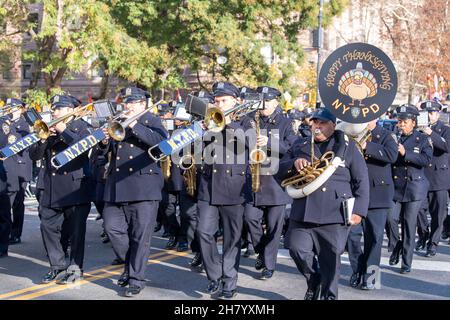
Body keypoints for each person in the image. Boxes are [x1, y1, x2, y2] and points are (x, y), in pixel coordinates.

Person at [279, 107, 369, 300]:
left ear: (333, 125)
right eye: (315, 123)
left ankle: (329, 295)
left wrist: (359, 211)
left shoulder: (346, 146)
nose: (317, 127)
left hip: (334, 212)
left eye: (322, 123)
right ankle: (313, 279)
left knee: (331, 259)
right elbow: (279, 171)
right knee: (296, 248)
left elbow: (361, 180)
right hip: (304, 210)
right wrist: (294, 163)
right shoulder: (300, 144)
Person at [99, 87, 167, 297]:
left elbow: (162, 145)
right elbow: (106, 154)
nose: (127, 106)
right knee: (112, 229)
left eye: (132, 102)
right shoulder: (116, 121)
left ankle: (136, 278)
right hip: (117, 186)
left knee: (140, 237)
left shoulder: (152, 121)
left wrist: (135, 124)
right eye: (126, 102)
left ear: (142, 105)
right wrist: (103, 142)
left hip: (143, 187)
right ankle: (130, 266)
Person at [29, 94, 94, 284]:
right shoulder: (48, 130)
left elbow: (81, 148)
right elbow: (34, 156)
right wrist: (42, 140)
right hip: (51, 188)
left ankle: (75, 268)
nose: (55, 112)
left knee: (75, 232)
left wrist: (64, 130)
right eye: (54, 108)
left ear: (71, 110)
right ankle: (57, 266)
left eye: (59, 108)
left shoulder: (83, 128)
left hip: (75, 188)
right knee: (47, 227)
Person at [196, 81, 250, 299]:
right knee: (204, 232)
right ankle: (215, 275)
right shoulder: (208, 121)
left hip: (233, 188)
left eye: (224, 100)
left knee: (231, 238)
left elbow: (249, 143)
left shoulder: (246, 122)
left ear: (236, 101)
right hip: (208, 186)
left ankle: (229, 282)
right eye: (216, 101)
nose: (219, 104)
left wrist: (228, 123)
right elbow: (197, 151)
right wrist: (199, 132)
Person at [241, 86, 296, 280]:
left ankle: (269, 265)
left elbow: (292, 147)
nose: (262, 105)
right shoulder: (249, 119)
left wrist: (269, 142)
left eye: (266, 101)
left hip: (275, 182)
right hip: (252, 179)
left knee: (274, 227)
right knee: (249, 218)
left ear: (275, 103)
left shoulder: (286, 123)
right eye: (260, 101)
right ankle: (261, 251)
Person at [346, 119, 398, 289]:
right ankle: (357, 270)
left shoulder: (385, 135)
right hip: (355, 192)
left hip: (378, 194)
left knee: (374, 238)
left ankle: (371, 278)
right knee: (352, 237)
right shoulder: (350, 132)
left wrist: (368, 146)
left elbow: (392, 155)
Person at [386, 105, 432, 273]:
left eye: (404, 122)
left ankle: (406, 263)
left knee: (408, 225)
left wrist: (406, 153)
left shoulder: (422, 139)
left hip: (414, 187)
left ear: (413, 122)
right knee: (390, 218)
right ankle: (395, 245)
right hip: (396, 187)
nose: (401, 125)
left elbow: (426, 160)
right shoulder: (393, 137)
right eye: (399, 122)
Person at [416, 100, 450, 257]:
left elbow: (446, 147)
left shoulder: (444, 130)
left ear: (437, 114)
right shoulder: (418, 131)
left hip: (439, 178)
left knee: (438, 214)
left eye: (432, 113)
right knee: (418, 211)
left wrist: (431, 133)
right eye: (426, 113)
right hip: (421, 176)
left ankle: (433, 243)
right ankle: (423, 234)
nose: (429, 115)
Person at [0, 98, 33, 245]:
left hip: (21, 168)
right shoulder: (4, 123)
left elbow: (18, 144)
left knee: (18, 203)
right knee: (6, 204)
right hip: (8, 167)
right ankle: (6, 233)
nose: (9, 111)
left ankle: (16, 233)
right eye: (8, 108)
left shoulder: (25, 125)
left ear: (20, 109)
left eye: (12, 108)